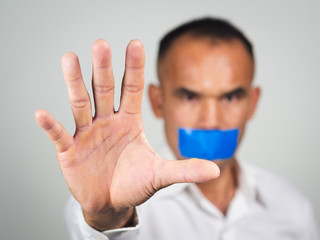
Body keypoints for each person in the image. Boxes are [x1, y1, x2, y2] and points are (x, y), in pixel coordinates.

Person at [35, 17, 319, 239]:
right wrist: (109, 219)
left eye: (230, 97)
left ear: (252, 103)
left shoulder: (292, 208)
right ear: (158, 102)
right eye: (189, 96)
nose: (211, 120)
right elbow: (97, 229)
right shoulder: (113, 199)